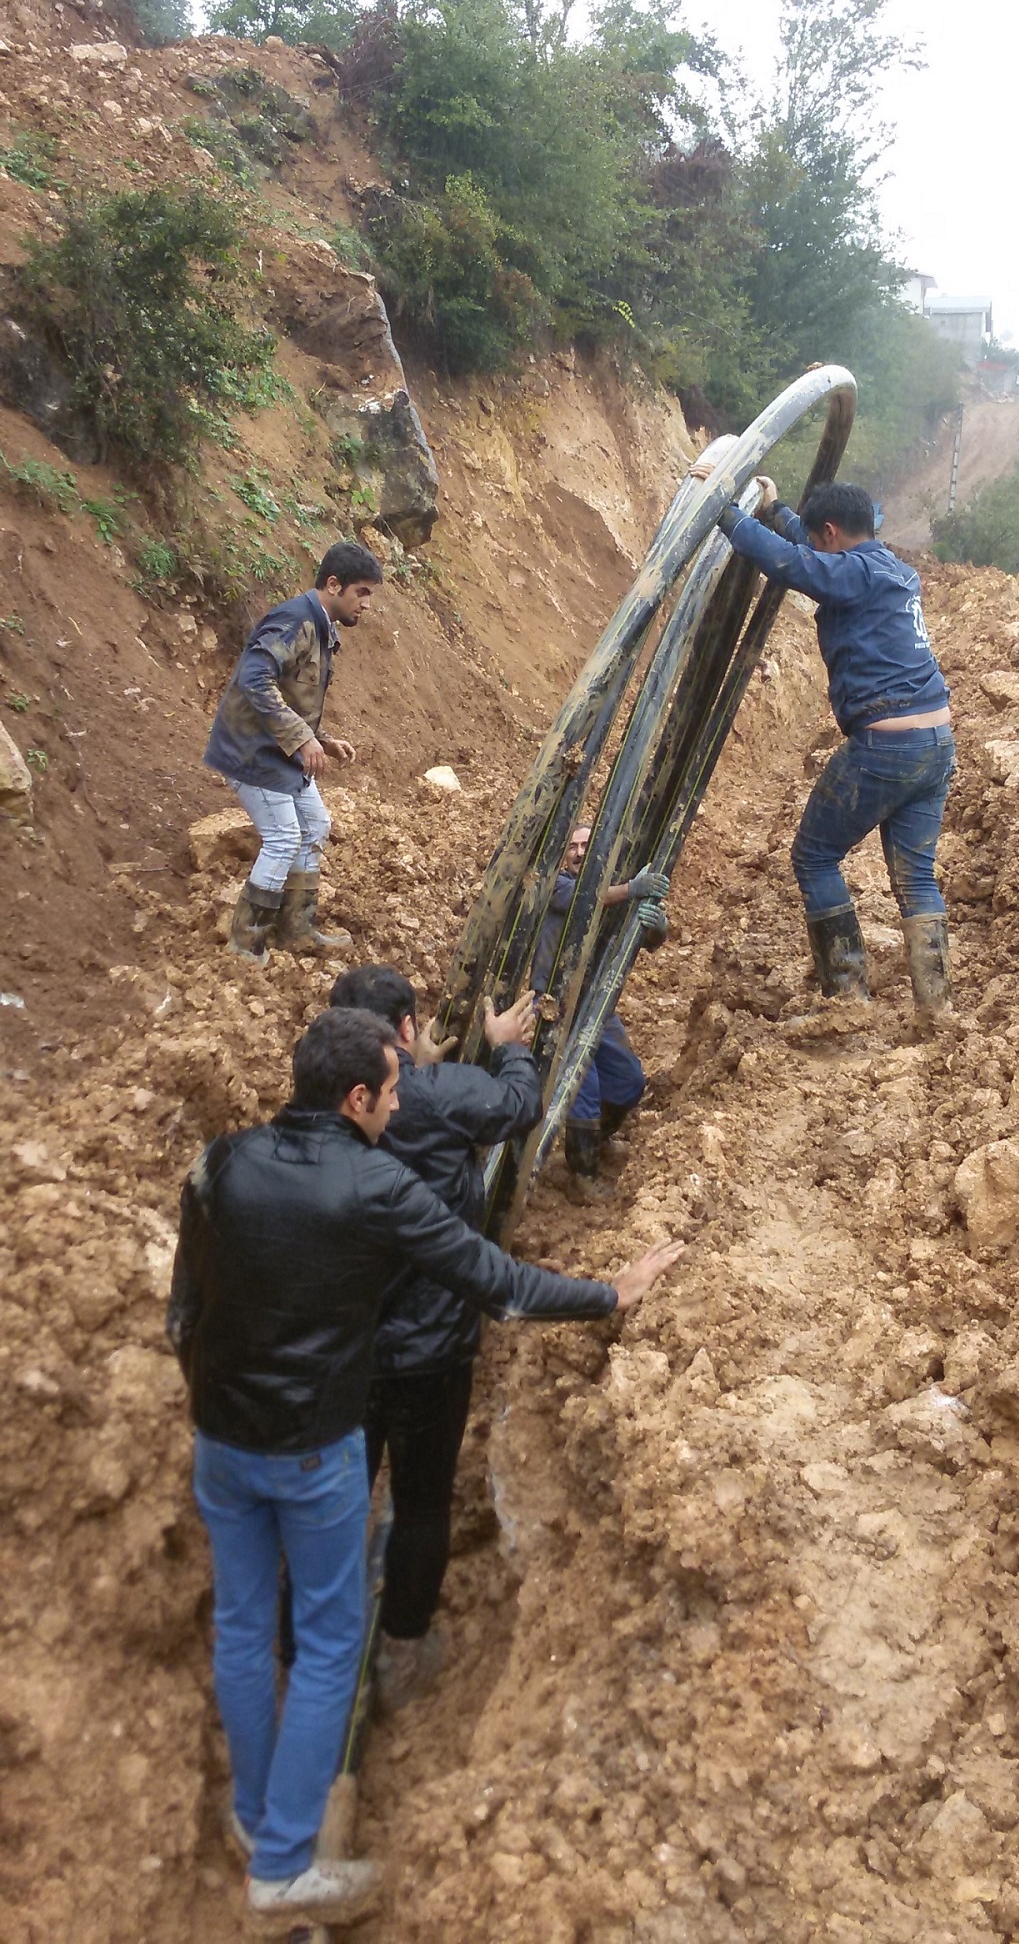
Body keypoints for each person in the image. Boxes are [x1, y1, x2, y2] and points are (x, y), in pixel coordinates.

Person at [167, 1006, 681, 1934]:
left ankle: (254, 1821)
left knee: (245, 1625)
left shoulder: (220, 1162)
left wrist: (213, 1398)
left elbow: (185, 1312)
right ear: (356, 1096)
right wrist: (610, 1292)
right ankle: (284, 1865)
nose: (401, 1104)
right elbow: (496, 1280)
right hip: (316, 1447)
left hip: (221, 1441)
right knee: (329, 1643)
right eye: (393, 1089)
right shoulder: (373, 1185)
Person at [326, 963, 543, 1710]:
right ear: (409, 1031)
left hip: (345, 1350)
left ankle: (321, 1645)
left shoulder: (321, 1110)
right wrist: (507, 1043)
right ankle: (402, 1650)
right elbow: (519, 1104)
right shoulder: (444, 1097)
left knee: (336, 1495)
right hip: (433, 1349)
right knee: (420, 1502)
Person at [692, 464, 955, 1019]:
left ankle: (849, 997)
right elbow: (811, 555)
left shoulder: (852, 574)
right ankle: (938, 1009)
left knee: (813, 856)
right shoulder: (891, 570)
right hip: (935, 744)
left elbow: (793, 565)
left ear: (832, 532)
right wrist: (778, 511)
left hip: (886, 750)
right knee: (917, 878)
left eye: (817, 534)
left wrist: (724, 511)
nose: (815, 544)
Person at [203, 540, 384, 965]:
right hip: (252, 752)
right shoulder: (294, 620)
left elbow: (289, 694)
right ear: (334, 585)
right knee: (283, 838)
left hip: (278, 750)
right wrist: (302, 738)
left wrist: (319, 738)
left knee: (316, 823)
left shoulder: (320, 627)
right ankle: (245, 945)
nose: (367, 604)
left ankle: (296, 930)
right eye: (362, 592)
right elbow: (255, 679)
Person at [531, 822, 669, 1180]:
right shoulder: (556, 885)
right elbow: (584, 902)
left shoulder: (614, 892)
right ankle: (582, 1174)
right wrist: (632, 890)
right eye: (572, 846)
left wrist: (657, 925)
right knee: (584, 1088)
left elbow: (647, 941)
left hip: (596, 1003)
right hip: (555, 1005)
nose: (578, 853)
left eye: (585, 846)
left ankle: (597, 1140)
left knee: (629, 1081)